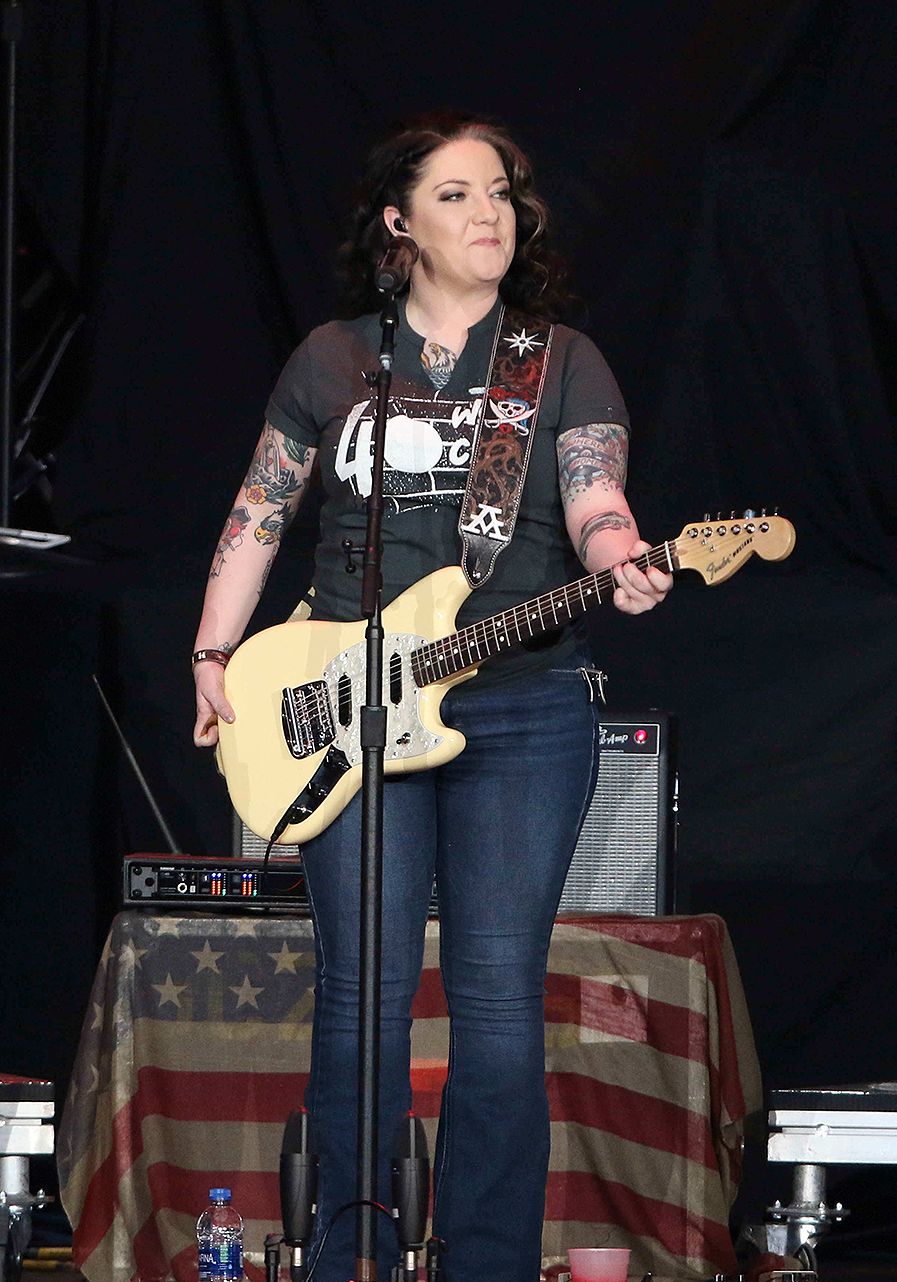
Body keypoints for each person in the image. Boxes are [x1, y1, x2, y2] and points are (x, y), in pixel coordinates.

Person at [192, 111, 672, 1282]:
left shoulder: (559, 360)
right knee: (360, 992)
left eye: (501, 191)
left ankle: (488, 1262)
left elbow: (594, 494)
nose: (489, 213)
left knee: (500, 998)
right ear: (401, 223)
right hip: (350, 701)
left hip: (521, 708)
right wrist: (214, 655)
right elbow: (261, 514)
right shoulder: (333, 360)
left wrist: (621, 556)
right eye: (457, 194)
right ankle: (345, 1254)